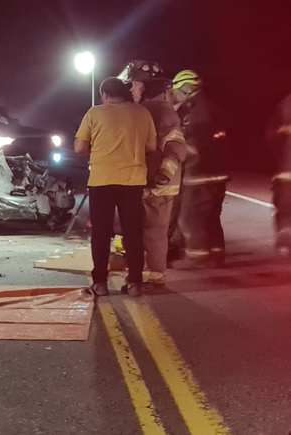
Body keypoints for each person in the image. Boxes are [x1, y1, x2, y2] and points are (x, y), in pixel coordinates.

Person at [74, 77, 157, 297]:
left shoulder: (95, 113)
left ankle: (100, 283)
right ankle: (135, 283)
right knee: (133, 233)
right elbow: (151, 146)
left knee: (101, 233)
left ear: (104, 95)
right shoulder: (142, 113)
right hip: (133, 180)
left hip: (102, 180)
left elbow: (80, 148)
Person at [121, 61, 187, 285]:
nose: (132, 89)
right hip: (146, 181)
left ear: (147, 86)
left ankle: (155, 276)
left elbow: (176, 145)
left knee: (155, 232)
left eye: (136, 85)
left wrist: (163, 175)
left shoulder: (160, 110)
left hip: (158, 185)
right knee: (141, 230)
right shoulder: (149, 109)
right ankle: (142, 273)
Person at [170, 70, 229, 266]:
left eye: (177, 90)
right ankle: (217, 255)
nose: (175, 94)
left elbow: (195, 148)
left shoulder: (197, 112)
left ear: (186, 89)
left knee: (189, 217)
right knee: (211, 217)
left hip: (201, 175)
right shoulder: (211, 107)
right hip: (219, 174)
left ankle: (199, 257)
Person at [266, 93, 291, 252]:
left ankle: (286, 234)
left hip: (287, 170)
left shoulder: (286, 103)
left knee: (285, 208)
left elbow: (271, 136)